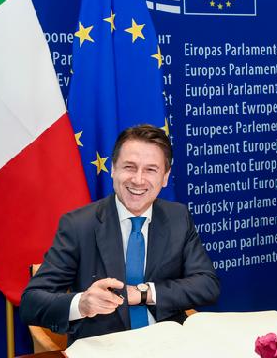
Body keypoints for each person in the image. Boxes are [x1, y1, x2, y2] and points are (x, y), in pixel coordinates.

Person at [20, 124, 220, 344]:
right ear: (113, 169)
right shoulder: (78, 225)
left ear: (165, 176)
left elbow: (206, 284)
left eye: (151, 169)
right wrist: (81, 303)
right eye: (129, 167)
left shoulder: (178, 217)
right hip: (104, 346)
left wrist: (144, 293)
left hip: (166, 344)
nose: (138, 180)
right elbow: (32, 303)